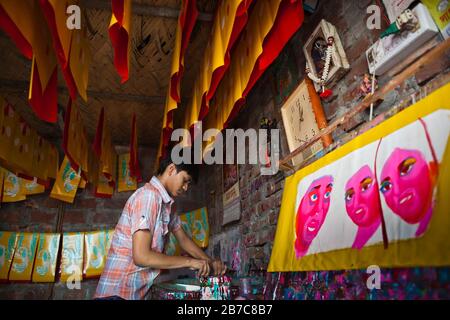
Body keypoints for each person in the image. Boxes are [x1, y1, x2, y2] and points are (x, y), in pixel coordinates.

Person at [94, 154, 227, 300]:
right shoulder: (149, 197)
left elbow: (183, 239)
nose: (186, 188)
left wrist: (209, 262)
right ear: (171, 169)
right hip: (116, 294)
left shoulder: (168, 205)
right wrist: (190, 262)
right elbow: (141, 257)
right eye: (185, 181)